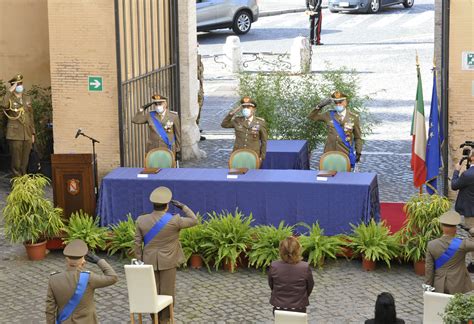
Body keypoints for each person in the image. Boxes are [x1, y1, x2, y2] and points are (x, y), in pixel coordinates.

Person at [134, 186, 198, 323]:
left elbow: (137, 243)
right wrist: (183, 207)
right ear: (167, 206)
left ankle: (154, 319)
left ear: (153, 205)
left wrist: (140, 261)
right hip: (168, 262)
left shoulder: (141, 220)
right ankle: (165, 320)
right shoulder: (175, 220)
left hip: (148, 261)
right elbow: (194, 220)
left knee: (152, 292)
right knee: (167, 292)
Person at [45, 239, 118, 324]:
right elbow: (113, 277)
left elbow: (50, 310)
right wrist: (99, 260)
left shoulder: (54, 279)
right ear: (83, 261)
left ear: (66, 259)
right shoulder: (89, 278)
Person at [308, 91, 363, 168]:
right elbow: (311, 117)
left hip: (345, 153)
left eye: (340, 102)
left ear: (346, 102)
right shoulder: (329, 115)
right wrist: (319, 106)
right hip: (329, 152)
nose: (338, 105)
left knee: (345, 178)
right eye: (336, 103)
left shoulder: (353, 117)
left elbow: (358, 137)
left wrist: (358, 152)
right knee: (328, 177)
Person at [425, 211, 474, 294]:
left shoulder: (431, 245)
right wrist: (471, 231)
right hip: (457, 284)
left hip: (439, 284)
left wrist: (428, 288)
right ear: (455, 229)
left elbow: (429, 269)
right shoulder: (463, 244)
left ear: (441, 227)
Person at [268, 236, 314, 315]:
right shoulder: (305, 267)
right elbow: (310, 286)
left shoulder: (274, 266)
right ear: (298, 250)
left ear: (281, 251)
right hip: (299, 307)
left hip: (279, 307)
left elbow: (272, 285)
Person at [1, 74, 36, 176]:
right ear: (13, 86)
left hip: (27, 134)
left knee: (25, 161)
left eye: (21, 83)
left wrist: (33, 133)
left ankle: (23, 183)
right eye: (17, 84)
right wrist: (9, 91)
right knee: (16, 162)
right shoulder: (9, 98)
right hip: (15, 134)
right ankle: (17, 183)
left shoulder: (27, 98)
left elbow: (31, 116)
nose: (20, 86)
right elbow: (3, 105)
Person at [132, 94, 182, 161]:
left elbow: (178, 134)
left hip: (168, 147)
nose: (158, 106)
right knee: (153, 168)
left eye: (160, 104)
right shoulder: (150, 115)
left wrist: (178, 149)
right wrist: (141, 109)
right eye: (156, 104)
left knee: (168, 169)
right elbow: (135, 120)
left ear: (165, 104)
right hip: (153, 147)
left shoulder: (173, 116)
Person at [221, 96, 268, 162]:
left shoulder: (260, 122)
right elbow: (224, 125)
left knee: (253, 172)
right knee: (237, 171)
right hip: (238, 154)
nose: (246, 109)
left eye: (248, 107)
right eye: (244, 107)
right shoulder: (237, 120)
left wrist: (262, 157)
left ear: (254, 109)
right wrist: (232, 113)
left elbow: (264, 141)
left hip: (253, 155)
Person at [452, 152, 474, 230]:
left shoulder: (468, 174)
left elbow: (454, 186)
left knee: (471, 239)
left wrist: (456, 171)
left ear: (472, 158)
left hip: (471, 214)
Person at [196, 45, 206, 141]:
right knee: (195, 110)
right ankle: (194, 132)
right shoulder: (191, 59)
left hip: (199, 88)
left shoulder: (197, 58)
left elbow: (201, 74)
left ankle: (196, 129)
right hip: (194, 90)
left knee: (199, 110)